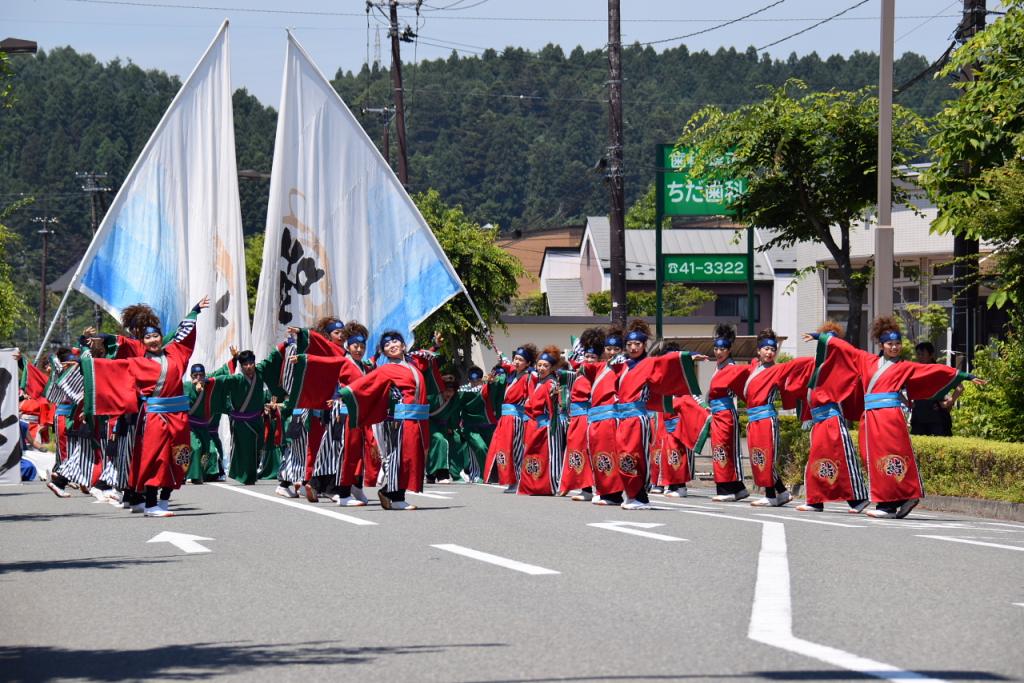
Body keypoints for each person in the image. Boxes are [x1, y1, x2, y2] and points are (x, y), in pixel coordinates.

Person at [808, 316, 985, 519]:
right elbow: (847, 349)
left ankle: (888, 505)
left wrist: (965, 376)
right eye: (890, 344)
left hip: (890, 416)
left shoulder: (904, 366)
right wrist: (821, 338)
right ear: (882, 345)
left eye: (898, 344)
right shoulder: (866, 360)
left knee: (889, 457)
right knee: (870, 457)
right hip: (870, 416)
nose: (895, 347)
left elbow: (933, 369)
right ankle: (900, 498)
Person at [80, 297, 210, 517]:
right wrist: (88, 346)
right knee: (154, 458)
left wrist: (194, 312)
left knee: (180, 457)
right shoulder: (138, 361)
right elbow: (111, 363)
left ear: (161, 337)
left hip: (178, 416)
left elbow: (183, 335)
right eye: (147, 337)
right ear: (143, 339)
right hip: (155, 416)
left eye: (155, 335)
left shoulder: (176, 353)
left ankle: (165, 499)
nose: (152, 340)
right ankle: (150, 503)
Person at [336, 331, 437, 510]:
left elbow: (427, 359)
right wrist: (344, 394)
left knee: (412, 458)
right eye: (387, 345)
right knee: (401, 458)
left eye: (395, 341)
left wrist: (434, 346)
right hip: (401, 420)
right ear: (383, 352)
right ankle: (393, 495)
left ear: (404, 346)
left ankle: (392, 493)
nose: (392, 345)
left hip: (419, 420)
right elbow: (365, 385)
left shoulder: (412, 366)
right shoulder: (386, 369)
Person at [794, 321, 871, 514]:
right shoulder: (817, 365)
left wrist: (822, 336)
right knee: (816, 461)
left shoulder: (840, 366)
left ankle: (858, 499)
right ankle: (815, 500)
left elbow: (847, 349)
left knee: (842, 459)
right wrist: (806, 417)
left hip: (832, 419)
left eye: (831, 341)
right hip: (819, 420)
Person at [739, 329, 814, 507]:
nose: (769, 352)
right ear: (758, 351)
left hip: (766, 418)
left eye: (772, 349)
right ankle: (782, 492)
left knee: (766, 457)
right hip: (753, 419)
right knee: (758, 458)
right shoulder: (753, 368)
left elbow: (798, 363)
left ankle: (771, 495)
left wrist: (819, 355)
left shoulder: (777, 369)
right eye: (765, 348)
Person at [705, 323, 751, 503]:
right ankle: (738, 489)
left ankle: (727, 490)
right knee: (720, 450)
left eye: (722, 348)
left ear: (729, 349)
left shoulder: (731, 368)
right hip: (718, 413)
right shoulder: (720, 366)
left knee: (723, 450)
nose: (718, 352)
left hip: (725, 413)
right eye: (716, 348)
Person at [483, 344, 537, 493]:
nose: (517, 362)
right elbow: (506, 364)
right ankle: (509, 479)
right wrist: (501, 356)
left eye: (521, 360)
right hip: (505, 418)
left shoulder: (528, 377)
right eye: (516, 358)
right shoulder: (514, 374)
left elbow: (532, 398)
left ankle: (518, 480)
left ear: (528, 363)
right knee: (501, 448)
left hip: (516, 418)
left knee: (515, 449)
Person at [558, 328, 603, 500]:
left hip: (588, 415)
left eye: (593, 357)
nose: (589, 359)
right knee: (577, 450)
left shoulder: (598, 372)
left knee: (590, 451)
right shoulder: (579, 370)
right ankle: (584, 489)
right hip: (575, 417)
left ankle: (598, 488)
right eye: (587, 356)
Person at [520, 345, 566, 495]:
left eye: (545, 366)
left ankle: (554, 485)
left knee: (551, 456)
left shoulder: (551, 383)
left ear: (552, 368)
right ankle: (536, 485)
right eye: (539, 365)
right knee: (536, 455)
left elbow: (557, 406)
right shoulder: (540, 382)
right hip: (538, 424)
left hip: (549, 425)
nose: (541, 368)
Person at [910, 341, 959, 437]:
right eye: (918, 354)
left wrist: (950, 401)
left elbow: (960, 387)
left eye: (923, 354)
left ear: (931, 355)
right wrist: (909, 403)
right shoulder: (915, 370)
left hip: (937, 417)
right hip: (919, 417)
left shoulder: (940, 370)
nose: (920, 357)